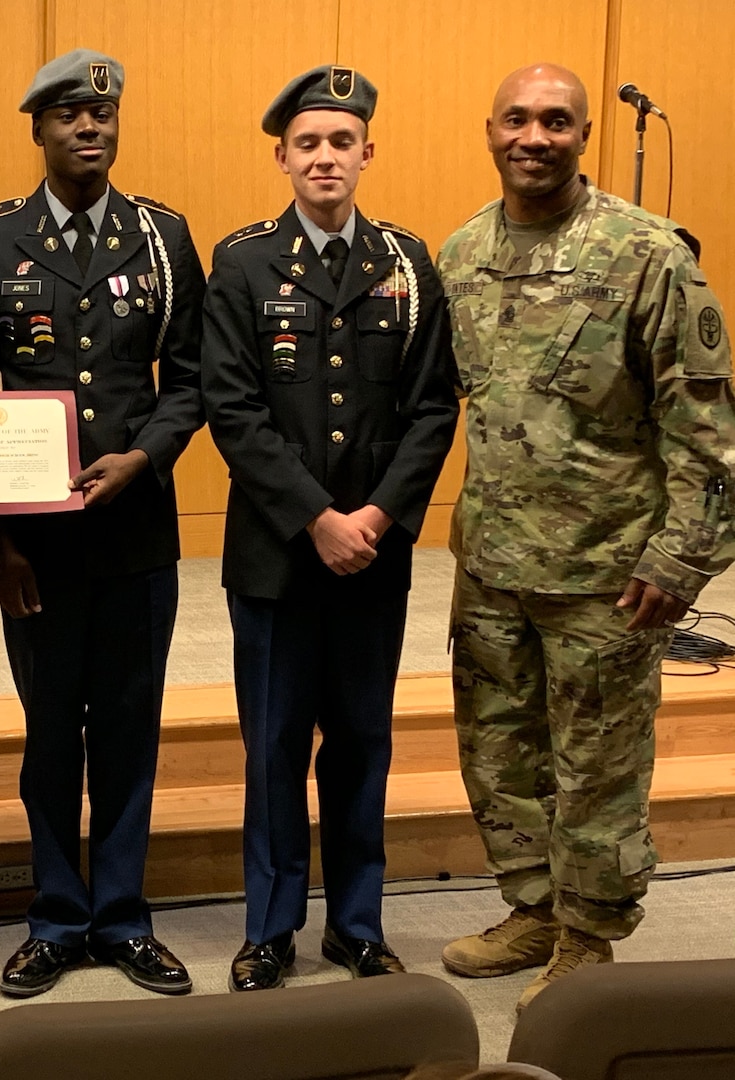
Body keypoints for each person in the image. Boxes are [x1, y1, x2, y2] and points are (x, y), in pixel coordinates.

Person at [438, 63, 735, 1012]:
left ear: (580, 137)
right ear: (488, 131)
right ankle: (530, 906)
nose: (534, 136)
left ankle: (586, 936)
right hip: (490, 564)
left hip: (607, 572)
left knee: (598, 764)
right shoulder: (459, 254)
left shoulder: (645, 253)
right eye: (517, 119)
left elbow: (705, 427)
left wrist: (680, 557)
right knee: (497, 752)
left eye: (555, 121)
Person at [0, 49, 205, 998]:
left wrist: (144, 455)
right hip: (39, 549)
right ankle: (57, 917)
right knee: (52, 731)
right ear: (39, 131)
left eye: (102, 114)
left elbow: (191, 380)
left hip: (137, 531)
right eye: (68, 116)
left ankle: (124, 917)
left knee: (131, 731)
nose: (89, 128)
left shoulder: (162, 236)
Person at [203, 66, 458, 992]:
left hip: (372, 559)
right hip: (277, 556)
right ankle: (269, 928)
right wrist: (316, 518)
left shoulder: (406, 262)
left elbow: (432, 408)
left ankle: (355, 922)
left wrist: (376, 520)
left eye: (339, 142)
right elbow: (231, 408)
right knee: (273, 748)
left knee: (360, 741)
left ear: (365, 154)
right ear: (281, 157)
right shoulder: (240, 263)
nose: (323, 158)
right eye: (306, 143)